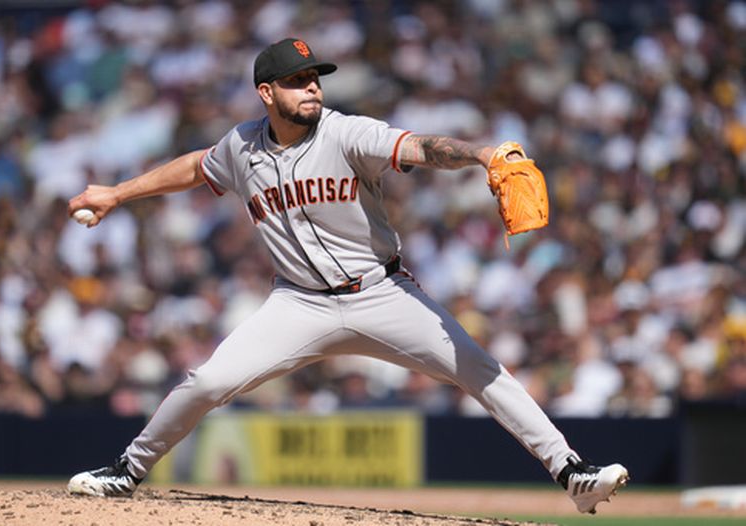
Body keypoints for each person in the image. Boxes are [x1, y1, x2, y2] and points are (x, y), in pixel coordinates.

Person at [66, 38, 628, 515]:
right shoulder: (242, 146)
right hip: (298, 305)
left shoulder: (346, 133)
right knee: (208, 383)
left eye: (315, 77)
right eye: (297, 80)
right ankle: (127, 471)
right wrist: (117, 193)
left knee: (481, 369)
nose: (312, 87)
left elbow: (421, 147)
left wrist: (482, 154)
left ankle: (572, 473)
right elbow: (195, 166)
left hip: (382, 293)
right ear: (267, 94)